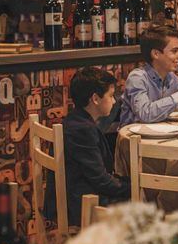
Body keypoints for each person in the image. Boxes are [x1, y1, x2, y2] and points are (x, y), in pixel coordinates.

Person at [44, 67, 130, 227]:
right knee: (145, 204)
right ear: (95, 99)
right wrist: (135, 187)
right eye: (111, 96)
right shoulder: (82, 130)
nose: (114, 101)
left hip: (79, 193)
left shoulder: (76, 119)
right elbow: (101, 181)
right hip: (80, 204)